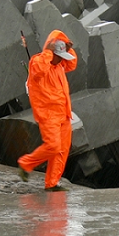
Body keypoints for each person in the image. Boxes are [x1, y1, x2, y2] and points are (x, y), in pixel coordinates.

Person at [18, 29, 77, 192]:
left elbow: (72, 63)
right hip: (48, 114)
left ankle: (52, 183)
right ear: (51, 53)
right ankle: (26, 164)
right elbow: (37, 71)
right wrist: (49, 52)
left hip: (64, 113)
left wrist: (67, 49)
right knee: (53, 146)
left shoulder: (60, 64)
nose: (62, 60)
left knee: (63, 149)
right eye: (60, 56)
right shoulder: (38, 61)